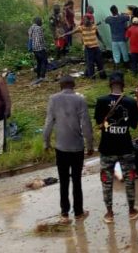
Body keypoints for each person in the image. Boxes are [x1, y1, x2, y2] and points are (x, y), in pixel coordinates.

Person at [44, 76, 95, 223]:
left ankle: (64, 214)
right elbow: (86, 125)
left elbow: (48, 123)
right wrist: (90, 145)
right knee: (77, 180)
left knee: (64, 180)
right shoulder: (80, 100)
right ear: (73, 85)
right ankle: (78, 212)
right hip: (77, 147)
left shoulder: (53, 99)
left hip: (61, 148)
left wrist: (46, 142)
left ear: (60, 86)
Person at [95, 72, 138, 223]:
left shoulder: (101, 101)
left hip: (107, 148)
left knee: (106, 181)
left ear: (109, 84)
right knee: (129, 180)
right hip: (125, 147)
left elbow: (99, 123)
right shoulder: (130, 102)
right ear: (123, 84)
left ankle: (109, 213)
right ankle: (132, 210)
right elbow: (134, 125)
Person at [105, 5, 131, 71]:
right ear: (117, 10)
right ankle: (127, 66)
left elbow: (106, 20)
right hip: (122, 39)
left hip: (114, 40)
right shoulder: (122, 17)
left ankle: (116, 67)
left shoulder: (109, 19)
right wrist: (123, 14)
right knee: (124, 53)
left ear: (111, 12)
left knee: (116, 54)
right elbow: (129, 17)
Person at [28, 17, 49, 83]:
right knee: (44, 62)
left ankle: (38, 76)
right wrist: (45, 47)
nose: (41, 23)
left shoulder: (31, 28)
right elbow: (41, 39)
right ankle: (42, 77)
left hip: (34, 48)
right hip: (40, 48)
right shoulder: (39, 28)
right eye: (41, 22)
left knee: (39, 62)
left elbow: (30, 38)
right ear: (38, 22)